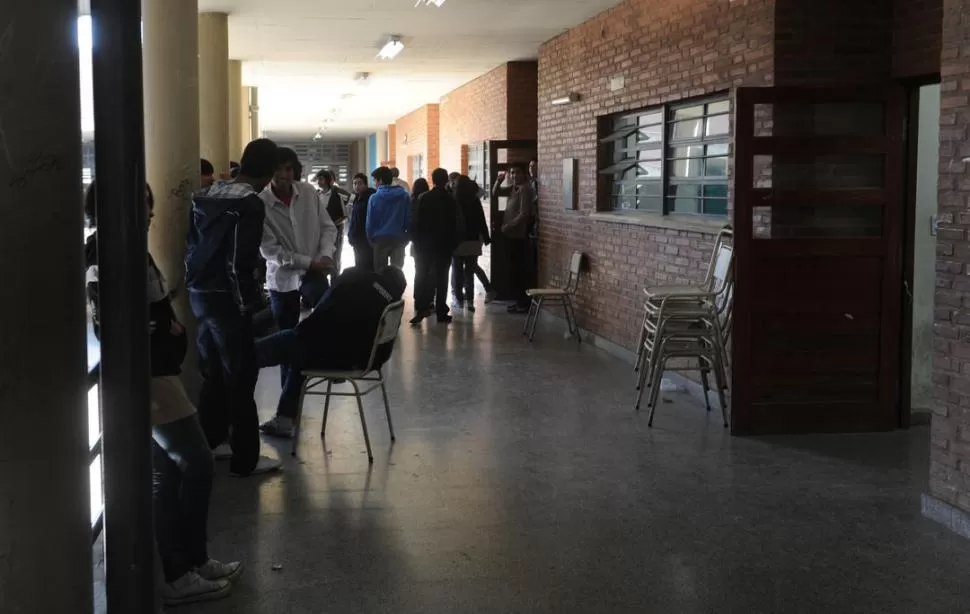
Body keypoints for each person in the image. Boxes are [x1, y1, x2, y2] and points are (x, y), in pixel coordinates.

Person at [85, 181, 241, 605]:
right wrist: (161, 327)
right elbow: (114, 322)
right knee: (198, 462)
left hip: (157, 372)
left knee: (168, 474)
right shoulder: (104, 253)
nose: (150, 215)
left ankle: (188, 564)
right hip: (148, 379)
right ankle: (182, 568)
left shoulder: (128, 247)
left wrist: (163, 322)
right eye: (142, 206)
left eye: (150, 207)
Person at [186, 137, 281, 477]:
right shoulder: (250, 204)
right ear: (270, 172)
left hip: (199, 294)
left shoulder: (206, 195)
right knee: (242, 377)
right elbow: (239, 260)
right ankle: (246, 460)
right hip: (228, 299)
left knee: (213, 373)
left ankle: (214, 442)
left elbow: (192, 245)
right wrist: (249, 305)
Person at [255, 266, 407, 430]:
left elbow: (320, 318)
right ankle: (285, 418)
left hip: (335, 356)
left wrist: (300, 333)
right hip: (363, 360)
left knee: (268, 349)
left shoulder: (356, 280)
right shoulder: (393, 302)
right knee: (299, 355)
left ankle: (233, 395)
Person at [257, 148, 338, 436]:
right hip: (282, 280)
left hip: (314, 274)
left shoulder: (308, 193)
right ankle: (288, 409)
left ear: (295, 171)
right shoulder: (260, 203)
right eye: (278, 170)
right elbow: (270, 250)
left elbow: (329, 229)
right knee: (286, 341)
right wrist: (308, 261)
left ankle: (288, 409)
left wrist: (325, 256)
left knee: (322, 327)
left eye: (289, 169)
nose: (283, 175)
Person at [410, 168, 458, 324]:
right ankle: (441, 311)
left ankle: (423, 307)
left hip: (426, 245)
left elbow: (417, 221)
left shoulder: (425, 197)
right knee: (442, 278)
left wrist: (416, 241)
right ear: (446, 181)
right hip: (444, 245)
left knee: (426, 276)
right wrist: (453, 243)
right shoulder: (450, 199)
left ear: (433, 180)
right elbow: (455, 224)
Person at [492, 161, 535, 313]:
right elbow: (495, 193)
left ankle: (523, 303)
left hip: (517, 235)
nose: (514, 175)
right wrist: (498, 181)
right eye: (512, 173)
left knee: (518, 271)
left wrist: (507, 226)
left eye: (517, 172)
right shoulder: (514, 188)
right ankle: (518, 301)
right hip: (509, 235)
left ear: (524, 173)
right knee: (512, 270)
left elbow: (524, 214)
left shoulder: (525, 190)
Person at [452, 175, 494, 312]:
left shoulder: (454, 200)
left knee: (457, 271)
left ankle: (459, 299)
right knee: (470, 271)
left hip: (458, 241)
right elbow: (481, 220)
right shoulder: (475, 200)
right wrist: (486, 238)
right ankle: (470, 302)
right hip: (473, 241)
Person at [366, 166, 411, 271]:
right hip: (399, 238)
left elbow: (370, 222)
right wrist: (407, 237)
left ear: (380, 180)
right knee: (397, 274)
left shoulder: (374, 198)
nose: (374, 184)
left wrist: (371, 240)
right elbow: (408, 219)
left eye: (375, 181)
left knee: (380, 275)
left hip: (380, 240)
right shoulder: (404, 196)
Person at [316, 169, 350, 273]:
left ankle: (335, 283)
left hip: (335, 232)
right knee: (321, 257)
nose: (319, 182)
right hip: (319, 233)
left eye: (321, 179)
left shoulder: (337, 195)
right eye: (318, 180)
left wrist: (333, 224)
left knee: (335, 258)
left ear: (327, 180)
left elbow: (345, 215)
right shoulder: (316, 195)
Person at [409, 178, 431, 311]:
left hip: (417, 242)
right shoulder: (430, 201)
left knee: (419, 271)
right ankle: (428, 299)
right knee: (429, 271)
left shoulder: (412, 202)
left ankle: (418, 298)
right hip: (429, 242)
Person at [348, 172, 376, 272]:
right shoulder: (355, 197)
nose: (356, 186)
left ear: (365, 184)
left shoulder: (370, 198)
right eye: (354, 183)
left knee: (366, 267)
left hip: (366, 240)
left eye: (359, 183)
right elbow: (353, 219)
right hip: (356, 240)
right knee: (359, 266)